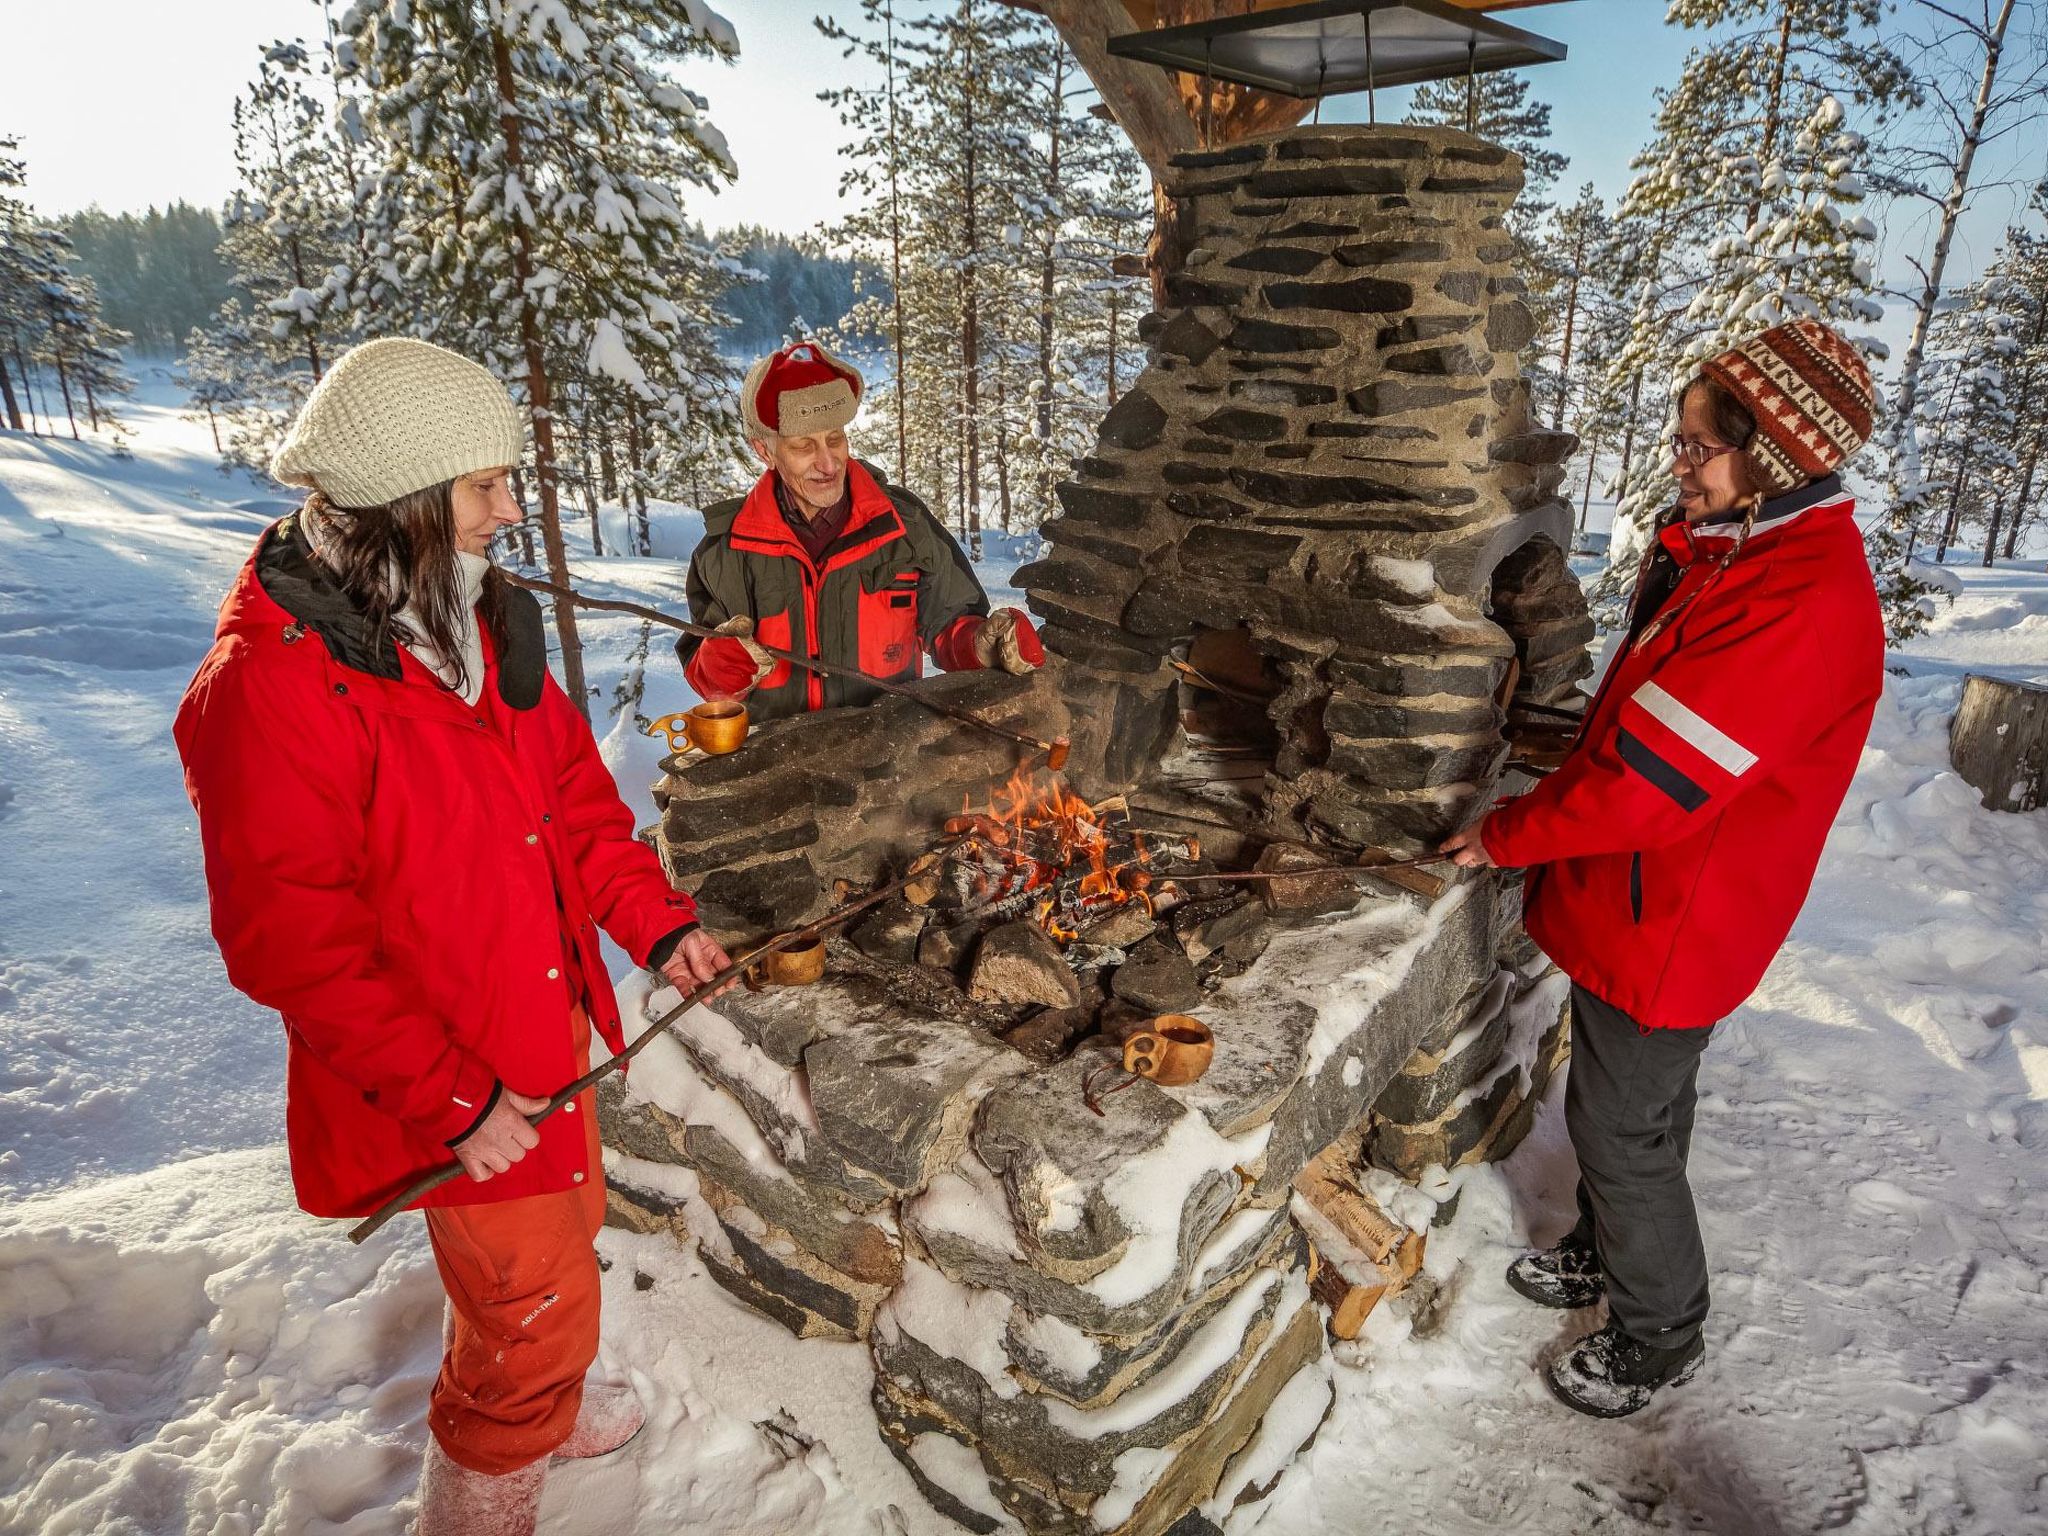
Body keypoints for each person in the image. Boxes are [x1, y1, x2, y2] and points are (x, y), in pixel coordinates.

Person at [174, 337, 733, 1533]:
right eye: (484, 486)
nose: (510, 510)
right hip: (456, 1069)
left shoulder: (477, 618)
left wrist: (653, 922)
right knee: (529, 1296)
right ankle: (483, 1495)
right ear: (402, 501)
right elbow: (295, 945)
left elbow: (575, 805)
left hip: (544, 1023)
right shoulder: (272, 687)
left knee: (556, 1248)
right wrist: (453, 1100)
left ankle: (543, 1400)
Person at [1439, 318, 1883, 1418]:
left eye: (1698, 446)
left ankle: (1656, 1331)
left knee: (1619, 1127)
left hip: (1678, 910)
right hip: (1646, 896)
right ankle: (1601, 1248)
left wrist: (1503, 834)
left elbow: (1650, 787)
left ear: (1769, 460)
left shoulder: (1793, 603)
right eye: (1679, 439)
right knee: (1629, 1105)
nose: (1677, 462)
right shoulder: (1735, 553)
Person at [680, 339, 1043, 717]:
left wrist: (982, 643)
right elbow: (706, 676)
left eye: (835, 439)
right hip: (778, 762)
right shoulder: (727, 551)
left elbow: (951, 623)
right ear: (765, 452)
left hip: (886, 756)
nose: (828, 463)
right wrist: (722, 665)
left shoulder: (903, 524)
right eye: (804, 446)